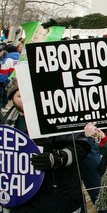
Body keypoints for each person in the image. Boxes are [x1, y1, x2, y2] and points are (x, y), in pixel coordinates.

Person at [1, 77, 91, 213]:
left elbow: (81, 146)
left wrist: (57, 158)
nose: (25, 99)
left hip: (57, 195)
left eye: (28, 94)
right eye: (20, 96)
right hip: (22, 200)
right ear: (12, 98)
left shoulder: (58, 115)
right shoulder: (7, 122)